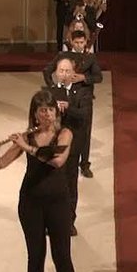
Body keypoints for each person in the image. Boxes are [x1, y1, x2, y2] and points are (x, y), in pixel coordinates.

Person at [0, 90, 82, 272]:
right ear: (35, 114)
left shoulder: (65, 133)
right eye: (42, 110)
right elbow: (1, 164)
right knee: (36, 254)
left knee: (62, 255)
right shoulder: (27, 136)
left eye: (50, 109)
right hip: (31, 202)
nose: (47, 114)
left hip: (58, 201)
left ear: (56, 111)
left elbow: (57, 161)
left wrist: (27, 148)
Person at [44, 31, 103, 179]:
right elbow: (47, 71)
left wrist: (83, 77)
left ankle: (84, 164)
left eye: (81, 43)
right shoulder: (62, 56)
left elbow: (98, 77)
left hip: (83, 96)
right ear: (71, 42)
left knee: (85, 131)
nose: (79, 45)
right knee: (61, 128)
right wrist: (54, 87)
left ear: (85, 42)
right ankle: (60, 157)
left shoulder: (90, 57)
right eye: (76, 43)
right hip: (65, 94)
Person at [50, 55, 92, 234]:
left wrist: (68, 107)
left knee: (70, 183)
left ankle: (69, 221)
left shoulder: (83, 91)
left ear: (73, 72)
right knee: (53, 185)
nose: (64, 74)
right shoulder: (50, 92)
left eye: (68, 71)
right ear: (56, 73)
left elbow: (84, 115)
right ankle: (52, 220)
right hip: (53, 145)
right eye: (61, 70)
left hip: (73, 146)